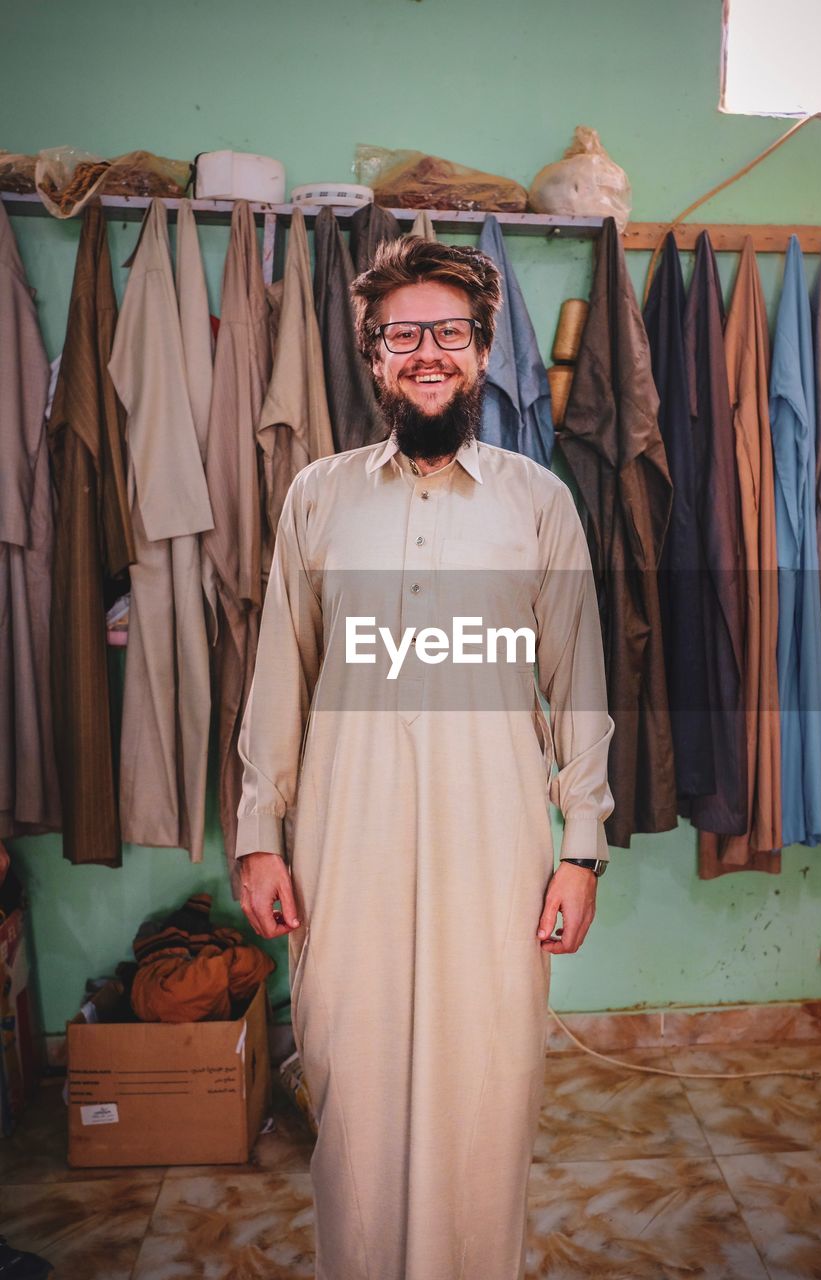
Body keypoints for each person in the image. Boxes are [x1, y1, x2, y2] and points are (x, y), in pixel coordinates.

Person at [236, 238, 613, 1280]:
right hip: (341, 846)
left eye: (449, 332)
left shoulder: (538, 502)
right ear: (372, 357)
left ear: (485, 350)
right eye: (403, 334)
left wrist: (580, 849)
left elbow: (578, 681)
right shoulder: (317, 496)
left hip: (490, 845)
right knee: (353, 1093)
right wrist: (258, 834)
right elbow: (281, 674)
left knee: (483, 1090)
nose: (428, 352)